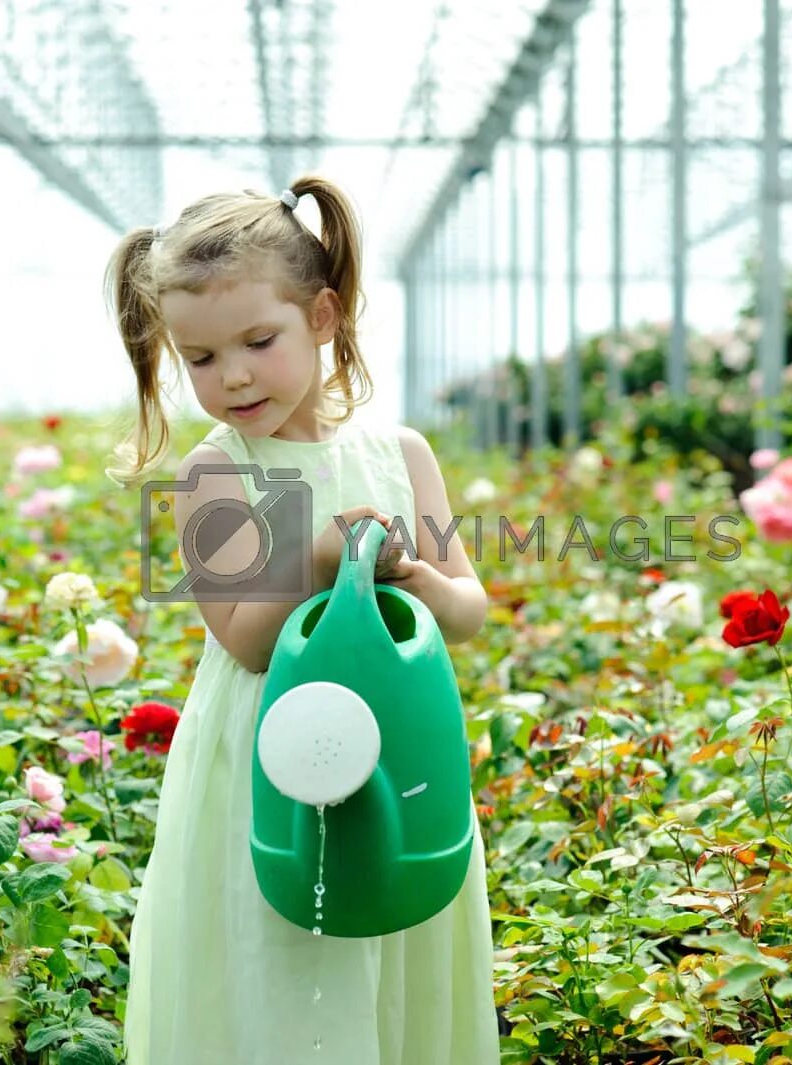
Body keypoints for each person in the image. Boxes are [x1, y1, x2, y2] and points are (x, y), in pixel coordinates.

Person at [105, 175, 499, 1063]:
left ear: (322, 317)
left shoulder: (400, 454)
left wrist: (423, 583)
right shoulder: (215, 472)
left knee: (388, 921)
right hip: (268, 748)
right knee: (278, 951)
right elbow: (243, 638)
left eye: (258, 340)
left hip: (397, 739)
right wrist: (316, 556)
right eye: (200, 359)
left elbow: (469, 609)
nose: (232, 374)